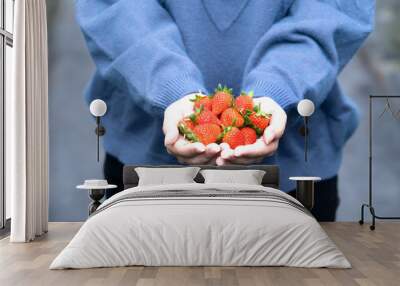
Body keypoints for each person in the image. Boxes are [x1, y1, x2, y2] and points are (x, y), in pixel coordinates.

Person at [76, 0, 375, 221]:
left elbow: (335, 10)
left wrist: (275, 90)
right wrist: (173, 87)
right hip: (145, 163)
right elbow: (115, 9)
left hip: (296, 173)